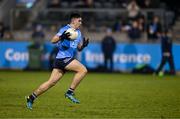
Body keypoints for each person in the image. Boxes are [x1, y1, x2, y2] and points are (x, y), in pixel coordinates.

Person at [26, 13, 89, 110]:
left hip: (62, 59)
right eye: (79, 20)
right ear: (73, 20)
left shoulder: (78, 33)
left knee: (51, 82)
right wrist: (62, 37)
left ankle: (31, 98)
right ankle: (70, 92)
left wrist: (83, 46)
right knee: (83, 70)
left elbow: (78, 48)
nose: (81, 22)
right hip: (63, 58)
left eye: (81, 21)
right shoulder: (65, 29)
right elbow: (53, 40)